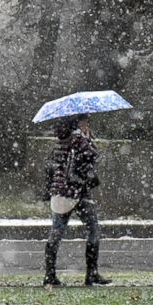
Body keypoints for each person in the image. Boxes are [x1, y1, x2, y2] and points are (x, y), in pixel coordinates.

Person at [41, 113, 111, 287]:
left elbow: (53, 165)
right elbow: (95, 156)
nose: (87, 124)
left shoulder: (58, 142)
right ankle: (91, 274)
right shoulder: (78, 140)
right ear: (78, 123)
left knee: (56, 234)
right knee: (93, 230)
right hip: (77, 192)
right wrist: (87, 138)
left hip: (59, 192)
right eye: (85, 121)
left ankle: (50, 275)